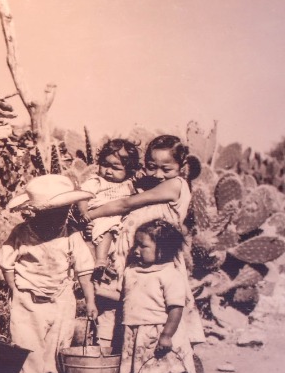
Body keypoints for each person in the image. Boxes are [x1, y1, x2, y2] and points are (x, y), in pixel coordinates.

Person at [85, 134, 205, 353]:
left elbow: (125, 203)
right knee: (121, 314)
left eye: (165, 169)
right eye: (151, 167)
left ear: (181, 167)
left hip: (155, 266)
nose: (158, 174)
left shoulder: (175, 185)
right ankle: (117, 369)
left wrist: (90, 214)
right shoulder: (146, 183)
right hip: (132, 260)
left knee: (153, 314)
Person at [0, 174, 97, 373]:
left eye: (63, 212)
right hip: (28, 300)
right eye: (51, 213)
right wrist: (15, 290)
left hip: (61, 299)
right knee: (28, 350)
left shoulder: (70, 235)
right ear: (37, 212)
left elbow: (84, 269)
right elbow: (7, 262)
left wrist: (91, 301)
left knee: (56, 351)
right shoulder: (22, 233)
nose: (59, 217)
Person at [118, 219, 194, 373]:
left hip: (156, 333)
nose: (136, 249)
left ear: (162, 249)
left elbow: (176, 308)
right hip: (134, 331)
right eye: (136, 244)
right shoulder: (132, 270)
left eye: (143, 246)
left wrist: (166, 335)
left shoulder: (169, 275)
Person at [76, 138, 139, 348]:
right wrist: (85, 212)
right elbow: (83, 196)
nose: (108, 171)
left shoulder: (128, 186)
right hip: (97, 218)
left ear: (128, 171)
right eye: (105, 165)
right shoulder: (97, 181)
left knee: (111, 229)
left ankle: (102, 263)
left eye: (116, 168)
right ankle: (99, 261)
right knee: (104, 228)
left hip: (118, 229)